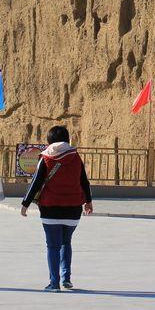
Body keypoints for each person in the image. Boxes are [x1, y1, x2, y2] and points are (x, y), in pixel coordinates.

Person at [20, 125, 93, 291]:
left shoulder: (46, 158)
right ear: (67, 139)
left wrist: (25, 204)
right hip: (73, 209)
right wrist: (88, 201)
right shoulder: (75, 157)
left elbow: (36, 182)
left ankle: (54, 283)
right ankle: (66, 278)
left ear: (49, 140)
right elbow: (84, 181)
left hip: (50, 209)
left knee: (53, 246)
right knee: (66, 242)